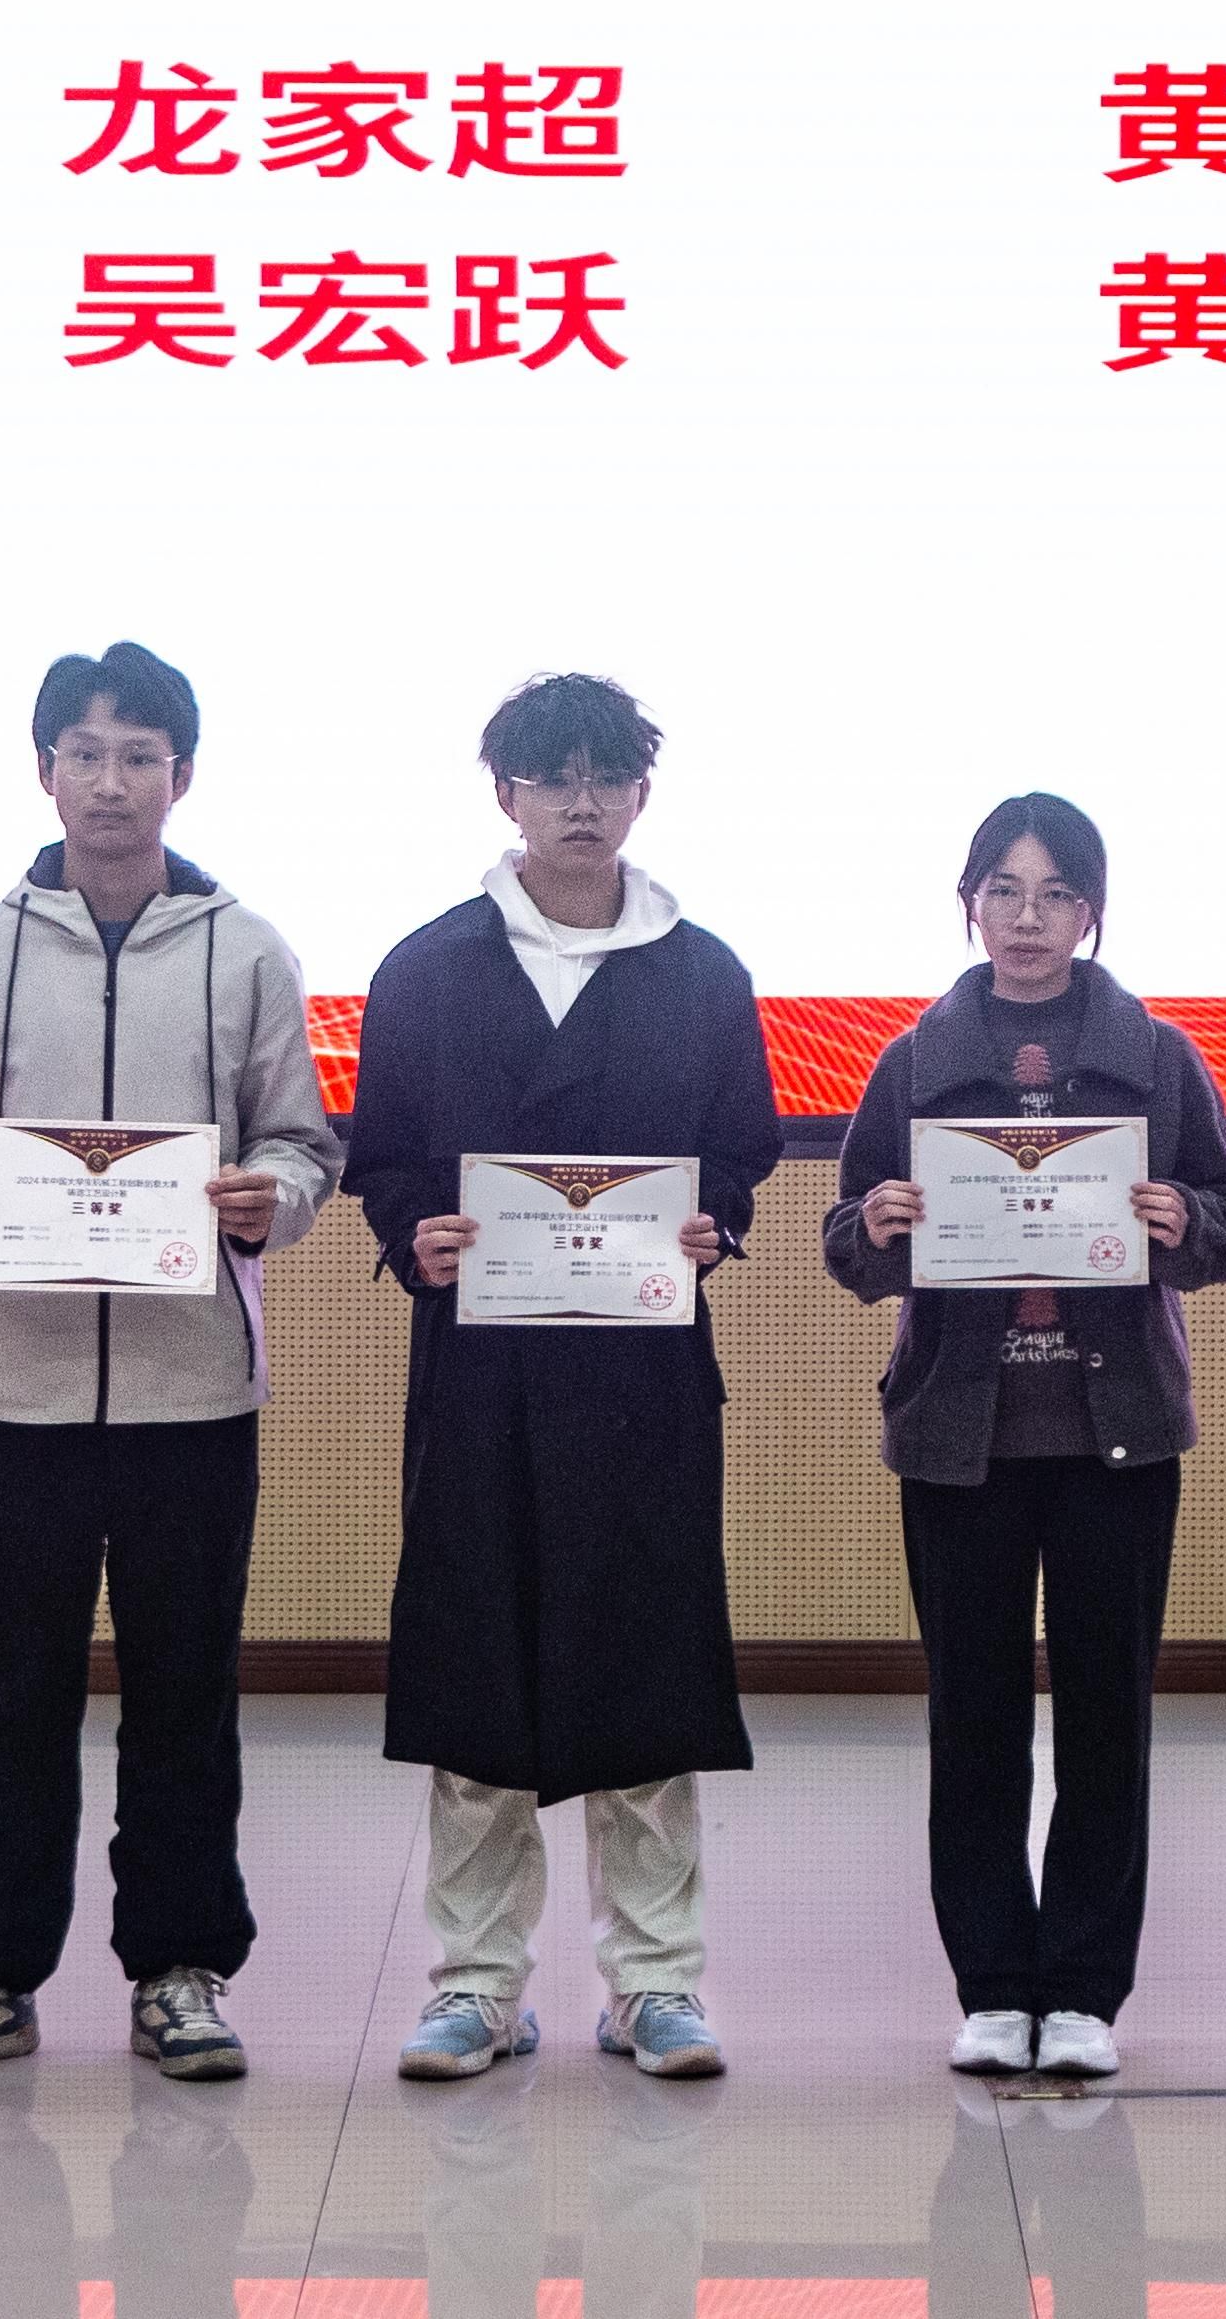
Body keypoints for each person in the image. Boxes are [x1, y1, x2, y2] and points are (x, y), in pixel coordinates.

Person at [0, 641, 345, 2085]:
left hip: (192, 1385)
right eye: (84, 753)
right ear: (45, 772)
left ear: (181, 776)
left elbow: (302, 1143)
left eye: (139, 754)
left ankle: (180, 1969)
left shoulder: (248, 950)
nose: (110, 782)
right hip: (16, 1388)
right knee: (14, 1693)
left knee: (183, 1694)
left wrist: (273, 1200)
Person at [348, 671, 787, 2083]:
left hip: (643, 1380)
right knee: (475, 1666)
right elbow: (386, 1158)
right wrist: (413, 1232)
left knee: (645, 1665)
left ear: (642, 794)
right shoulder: (427, 969)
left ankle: (654, 1983)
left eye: (607, 776)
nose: (581, 802)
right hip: (479, 1375)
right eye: (552, 777)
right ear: (506, 795)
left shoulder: (703, 972)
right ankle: (476, 1984)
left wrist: (716, 1225)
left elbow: (740, 1153)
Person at [828, 793, 1226, 2081]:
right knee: (971, 1718)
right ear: (969, 905)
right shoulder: (911, 1062)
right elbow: (847, 1245)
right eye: (1004, 892)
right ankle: (989, 1982)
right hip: (956, 1436)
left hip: (1115, 1431)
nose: (1028, 918)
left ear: (1092, 911)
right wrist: (881, 1226)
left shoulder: (1160, 1057)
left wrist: (1182, 1220)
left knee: (1106, 1720)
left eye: (1056, 893)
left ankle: (1080, 1988)